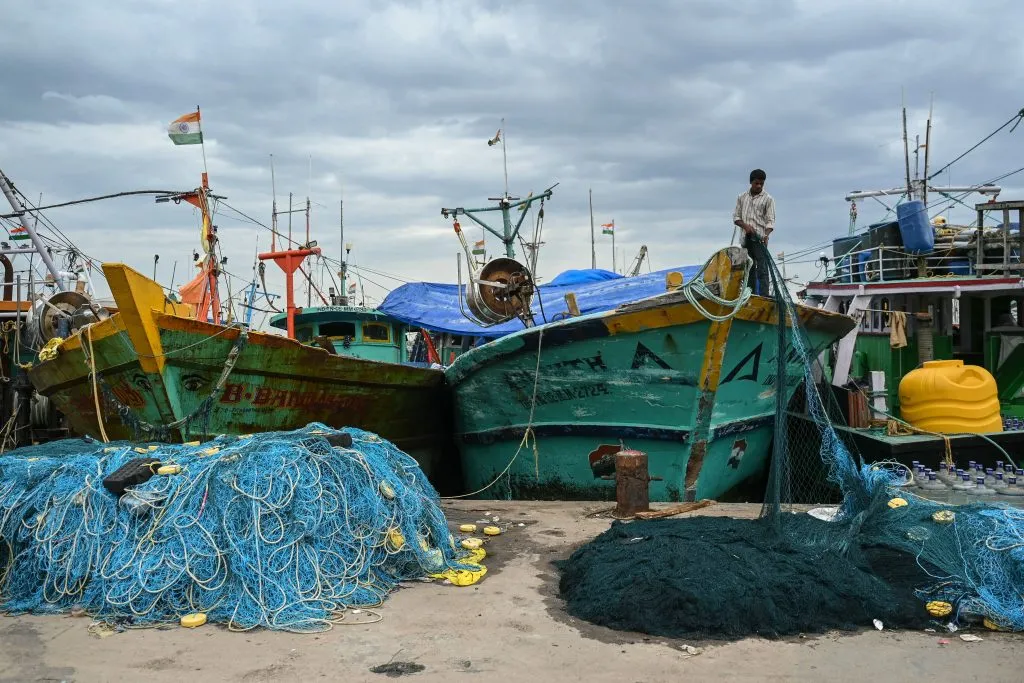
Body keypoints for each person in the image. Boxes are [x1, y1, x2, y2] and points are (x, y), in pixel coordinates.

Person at [733, 168, 775, 296]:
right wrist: (745, 226)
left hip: (760, 239)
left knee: (762, 268)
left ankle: (764, 295)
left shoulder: (768, 199)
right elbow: (736, 218)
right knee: (749, 267)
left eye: (761, 183)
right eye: (756, 183)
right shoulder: (742, 197)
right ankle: (750, 294)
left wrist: (766, 235)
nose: (759, 186)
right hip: (745, 238)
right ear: (751, 182)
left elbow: (770, 220)